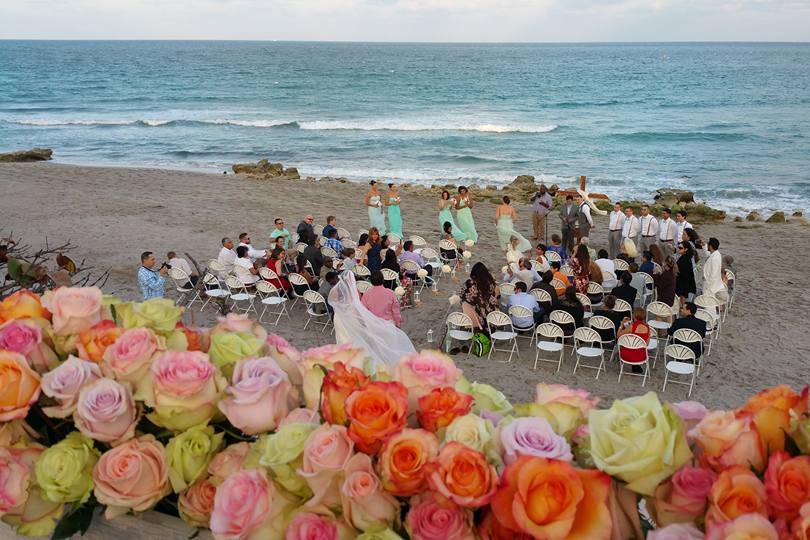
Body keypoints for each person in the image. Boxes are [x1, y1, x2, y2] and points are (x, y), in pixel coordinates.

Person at [328, 272, 415, 373]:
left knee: (376, 348)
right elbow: (395, 310)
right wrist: (398, 323)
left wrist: (365, 323)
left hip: (371, 325)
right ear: (383, 280)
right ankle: (391, 366)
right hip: (387, 323)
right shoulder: (390, 293)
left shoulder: (367, 294)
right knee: (390, 346)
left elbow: (363, 310)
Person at [460, 262, 499, 331]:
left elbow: (461, 294)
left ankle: (474, 324)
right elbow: (497, 294)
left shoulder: (471, 283)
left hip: (478, 311)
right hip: (491, 311)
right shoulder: (491, 281)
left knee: (465, 302)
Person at [703, 237, 728, 303]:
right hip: (711, 285)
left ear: (710, 246)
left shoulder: (715, 258)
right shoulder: (716, 254)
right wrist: (704, 246)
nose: (707, 245)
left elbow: (713, 275)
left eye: (708, 244)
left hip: (711, 287)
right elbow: (708, 255)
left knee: (708, 305)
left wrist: (709, 289)